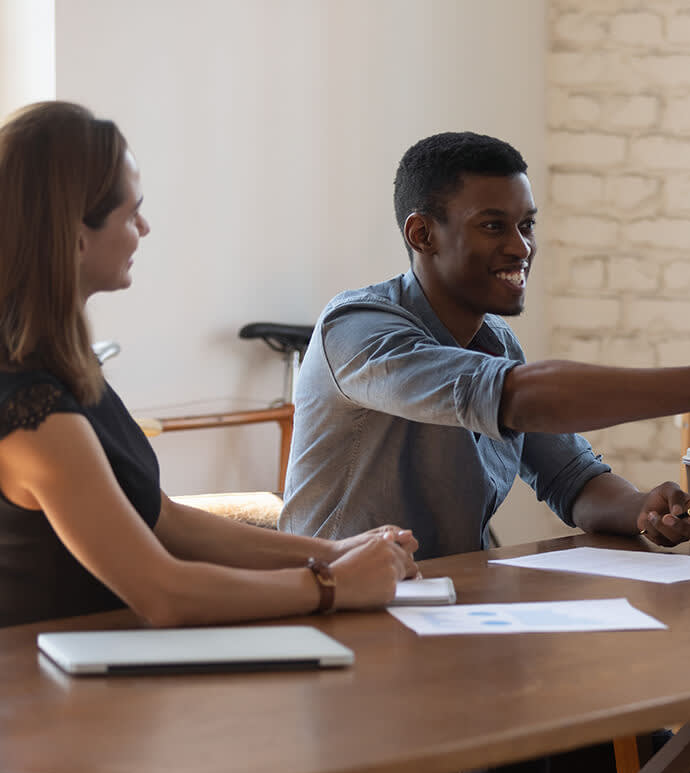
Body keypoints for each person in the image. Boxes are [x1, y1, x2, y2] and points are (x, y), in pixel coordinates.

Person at [278, 131, 690, 773]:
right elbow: (521, 399)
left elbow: (572, 477)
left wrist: (639, 508)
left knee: (680, 771)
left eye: (526, 224)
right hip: (352, 644)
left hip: (459, 633)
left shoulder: (496, 340)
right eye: (494, 226)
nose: (521, 247)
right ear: (422, 234)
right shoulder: (358, 329)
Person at [0, 101, 420, 629]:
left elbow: (167, 520)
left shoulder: (62, 370)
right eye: (131, 214)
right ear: (76, 236)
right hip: (52, 699)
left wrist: (334, 552)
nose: (145, 229)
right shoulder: (33, 413)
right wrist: (333, 584)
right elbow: (164, 592)